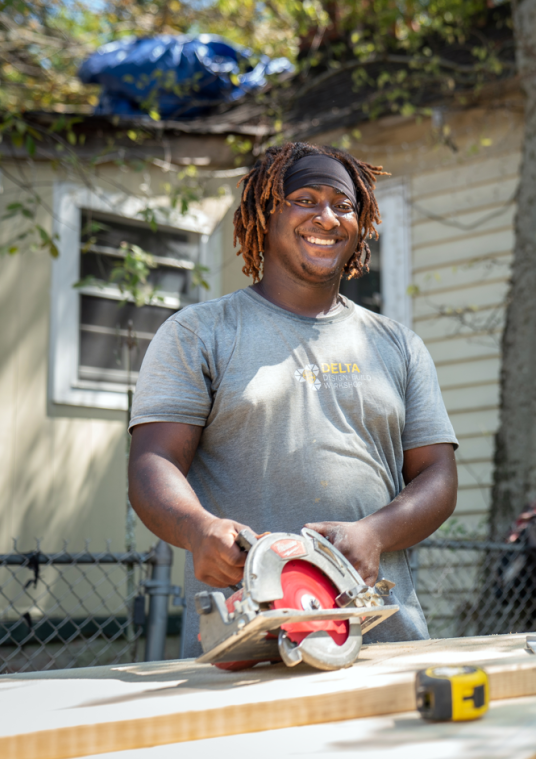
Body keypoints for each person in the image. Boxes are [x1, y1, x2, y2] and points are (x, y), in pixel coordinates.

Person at [127, 143, 459, 656]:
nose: (326, 217)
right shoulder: (200, 333)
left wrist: (374, 533)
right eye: (304, 199)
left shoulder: (397, 345)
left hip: (381, 640)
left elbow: (438, 475)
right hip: (245, 642)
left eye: (343, 205)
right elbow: (154, 460)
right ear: (266, 213)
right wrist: (198, 530)